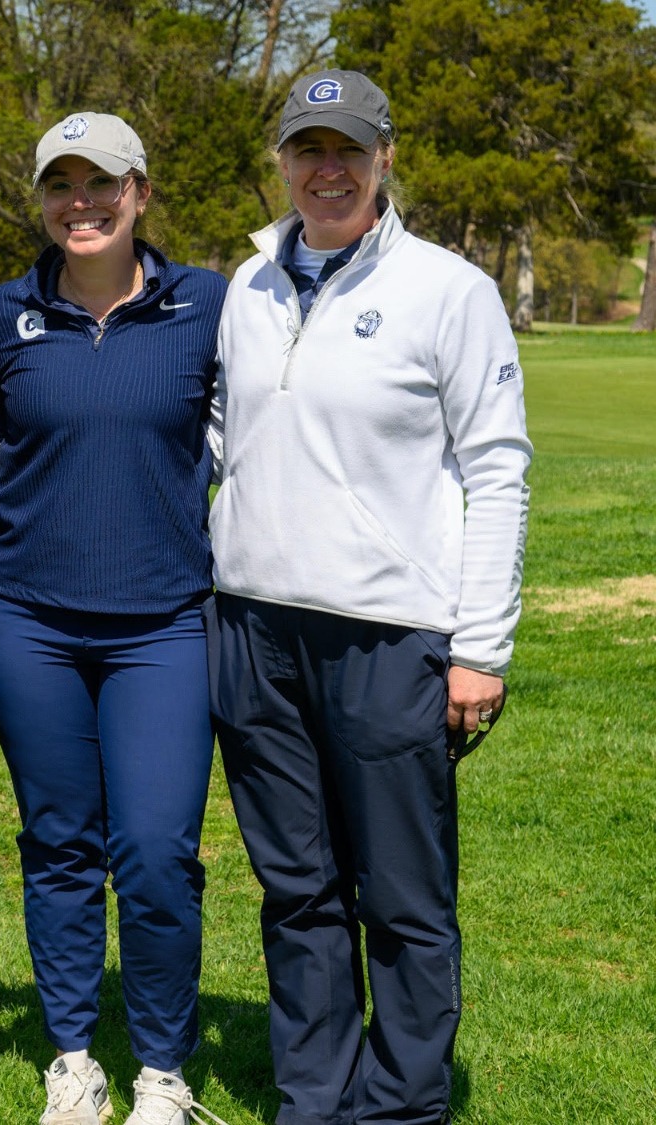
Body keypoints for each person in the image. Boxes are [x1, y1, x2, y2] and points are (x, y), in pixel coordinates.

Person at [210, 70, 529, 1125]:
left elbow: (495, 469)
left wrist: (478, 646)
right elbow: (229, 441)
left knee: (398, 894)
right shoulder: (247, 286)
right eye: (307, 148)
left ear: (385, 156)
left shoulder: (448, 290)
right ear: (283, 162)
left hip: (391, 636)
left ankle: (398, 1105)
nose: (326, 169)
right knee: (296, 889)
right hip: (253, 626)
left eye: (347, 147)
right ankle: (314, 1095)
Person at [0, 113, 229, 1125]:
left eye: (101, 184)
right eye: (59, 185)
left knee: (158, 853)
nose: (80, 203)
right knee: (59, 842)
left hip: (163, 622)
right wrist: (36, 468)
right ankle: (72, 1061)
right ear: (40, 198)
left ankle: (162, 1070)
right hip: (28, 618)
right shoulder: (1, 315)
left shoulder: (204, 304)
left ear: (140, 193)